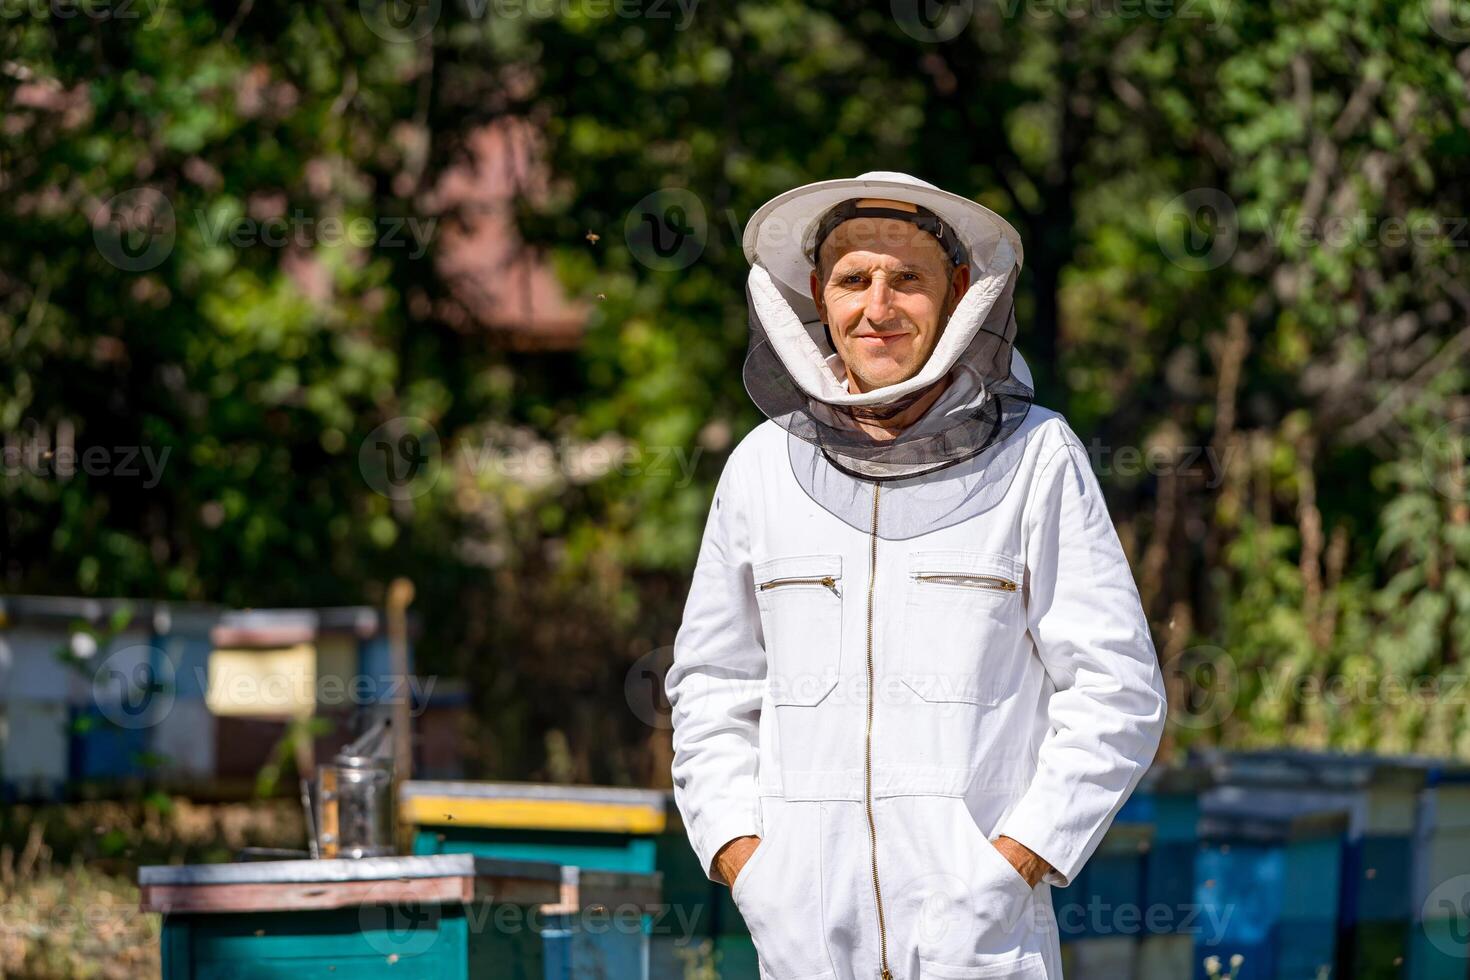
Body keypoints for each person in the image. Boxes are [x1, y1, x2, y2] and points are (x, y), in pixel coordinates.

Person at [665, 172, 1168, 980]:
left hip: (979, 948)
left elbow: (1116, 689)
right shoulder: (761, 468)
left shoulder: (1037, 456)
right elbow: (712, 685)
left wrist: (1011, 866)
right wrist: (747, 864)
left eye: (908, 279)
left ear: (961, 293)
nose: (879, 307)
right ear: (817, 298)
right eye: (853, 279)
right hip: (804, 948)